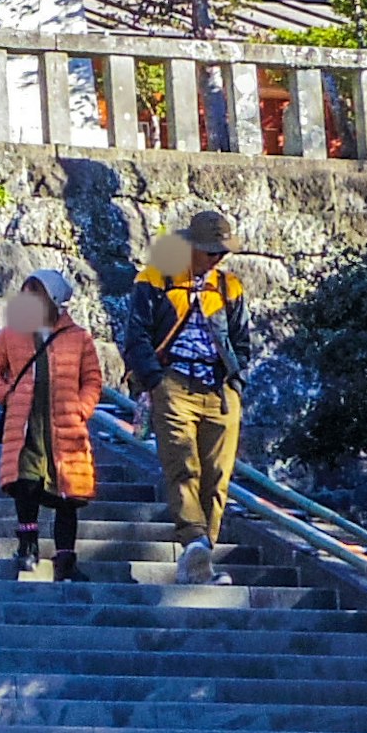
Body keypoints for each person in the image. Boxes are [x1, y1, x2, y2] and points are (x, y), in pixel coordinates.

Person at [121, 209, 252, 579]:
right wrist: (154, 379)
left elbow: (242, 340)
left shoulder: (229, 286)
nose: (218, 258)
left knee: (218, 474)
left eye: (221, 251)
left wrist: (236, 380)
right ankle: (193, 539)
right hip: (174, 381)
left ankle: (202, 556)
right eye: (211, 251)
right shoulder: (156, 279)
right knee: (182, 463)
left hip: (219, 387)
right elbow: (137, 336)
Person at [0, 266, 102, 583]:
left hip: (66, 426)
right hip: (26, 425)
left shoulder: (78, 338)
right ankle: (28, 548)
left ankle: (66, 559)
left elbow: (92, 379)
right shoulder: (11, 334)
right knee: (27, 483)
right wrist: (7, 395)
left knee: (68, 494)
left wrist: (82, 408)